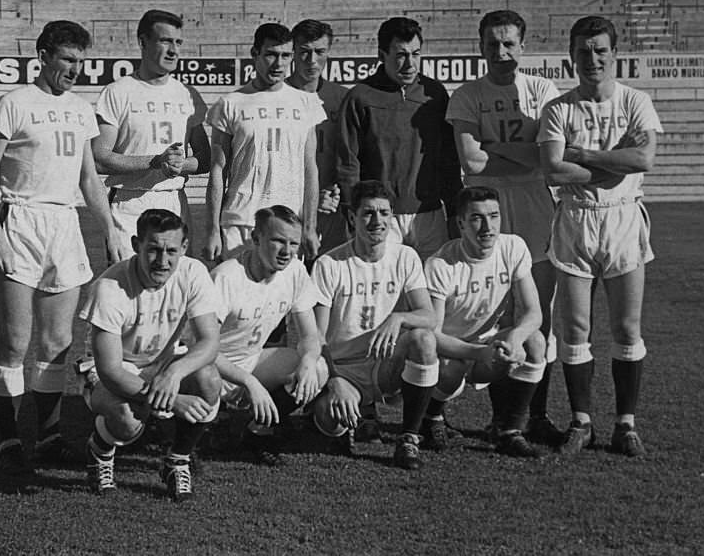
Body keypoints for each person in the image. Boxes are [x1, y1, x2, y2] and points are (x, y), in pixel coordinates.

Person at [0, 20, 122, 472]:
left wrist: (109, 228)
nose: (75, 69)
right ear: (42, 57)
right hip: (20, 219)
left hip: (64, 224)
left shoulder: (81, 110)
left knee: (58, 341)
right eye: (67, 59)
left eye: (80, 61)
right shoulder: (14, 103)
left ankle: (47, 437)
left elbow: (89, 178)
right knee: (15, 340)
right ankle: (8, 439)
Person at [537, 15, 662, 457]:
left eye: (601, 50)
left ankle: (625, 424)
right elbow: (554, 170)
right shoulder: (558, 109)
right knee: (575, 326)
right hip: (575, 218)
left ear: (615, 54)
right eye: (584, 51)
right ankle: (582, 421)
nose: (592, 59)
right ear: (571, 57)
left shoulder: (635, 101)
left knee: (626, 326)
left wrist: (586, 156)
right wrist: (614, 162)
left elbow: (643, 159)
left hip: (623, 217)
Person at [446, 10, 564, 446]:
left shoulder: (542, 90)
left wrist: (493, 146)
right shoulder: (467, 95)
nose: (501, 52)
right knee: (497, 312)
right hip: (486, 208)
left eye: (509, 43)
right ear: (480, 47)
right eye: (493, 44)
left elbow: (547, 159)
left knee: (538, 314)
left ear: (522, 46)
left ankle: (536, 415)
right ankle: (503, 418)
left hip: (535, 207)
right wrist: (523, 152)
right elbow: (471, 162)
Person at [80, 209, 221, 501]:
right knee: (128, 419)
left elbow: (210, 341)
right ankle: (100, 450)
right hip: (112, 369)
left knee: (209, 380)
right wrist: (173, 400)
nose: (162, 260)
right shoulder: (109, 288)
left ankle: (177, 460)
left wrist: (174, 374)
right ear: (136, 245)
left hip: (162, 363)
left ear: (184, 248)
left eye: (171, 251)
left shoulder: (193, 272)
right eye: (154, 249)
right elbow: (110, 371)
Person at [310, 180, 439, 470]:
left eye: (384, 213)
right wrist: (334, 381)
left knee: (424, 340)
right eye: (368, 213)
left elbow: (429, 316)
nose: (377, 221)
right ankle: (328, 412)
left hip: (384, 364)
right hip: (344, 369)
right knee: (330, 421)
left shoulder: (405, 256)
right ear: (352, 217)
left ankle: (409, 438)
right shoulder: (329, 264)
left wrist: (398, 317)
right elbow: (316, 336)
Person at [422, 186, 547, 458]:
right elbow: (433, 335)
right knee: (450, 370)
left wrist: (513, 340)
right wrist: (479, 353)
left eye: (494, 216)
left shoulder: (513, 247)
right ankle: (430, 418)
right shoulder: (440, 264)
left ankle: (509, 430)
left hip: (489, 345)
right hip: (451, 352)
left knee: (536, 342)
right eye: (477, 218)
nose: (488, 227)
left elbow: (533, 313)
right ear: (460, 224)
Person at [337, 16, 462, 261]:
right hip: (381, 216)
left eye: (416, 54)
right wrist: (354, 213)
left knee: (433, 282)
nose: (410, 64)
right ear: (382, 55)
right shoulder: (359, 97)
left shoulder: (434, 94)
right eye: (401, 55)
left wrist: (454, 209)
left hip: (430, 214)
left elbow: (449, 159)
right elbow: (348, 164)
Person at [211, 205, 328, 466]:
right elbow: (201, 349)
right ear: (256, 238)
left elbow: (311, 336)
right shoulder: (226, 277)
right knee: (203, 375)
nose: (287, 251)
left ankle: (257, 430)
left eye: (293, 243)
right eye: (278, 241)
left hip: (251, 360)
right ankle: (197, 433)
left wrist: (308, 361)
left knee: (317, 368)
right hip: (210, 367)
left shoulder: (295, 271)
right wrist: (249, 383)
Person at [92, 10, 209, 257]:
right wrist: (155, 161)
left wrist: (180, 165)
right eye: (165, 41)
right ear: (143, 42)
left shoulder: (188, 95)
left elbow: (205, 158)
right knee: (129, 279)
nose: (174, 50)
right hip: (129, 202)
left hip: (174, 200)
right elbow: (99, 158)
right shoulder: (117, 92)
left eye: (178, 42)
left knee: (176, 278)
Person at [204, 23, 325, 262]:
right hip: (240, 220)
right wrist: (212, 230)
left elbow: (310, 169)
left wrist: (310, 227)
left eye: (285, 56)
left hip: (289, 223)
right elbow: (218, 171)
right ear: (255, 54)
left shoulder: (306, 103)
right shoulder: (230, 103)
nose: (278, 64)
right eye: (271, 54)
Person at [286, 19, 350, 256]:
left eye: (320, 52)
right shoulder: (276, 99)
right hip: (286, 207)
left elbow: (350, 158)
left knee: (328, 273)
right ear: (293, 52)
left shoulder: (343, 98)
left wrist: (336, 193)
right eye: (304, 51)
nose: (312, 60)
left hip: (332, 209)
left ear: (329, 52)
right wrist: (308, 201)